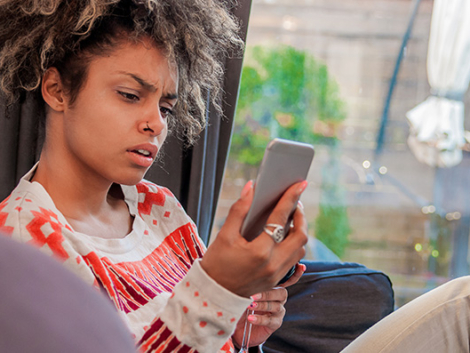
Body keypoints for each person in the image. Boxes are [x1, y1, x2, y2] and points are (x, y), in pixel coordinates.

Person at [0, 1, 308, 352]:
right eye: (130, 96)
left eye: (165, 108)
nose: (157, 123)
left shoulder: (157, 206)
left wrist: (236, 330)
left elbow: (199, 332)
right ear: (57, 90)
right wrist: (218, 288)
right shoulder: (23, 243)